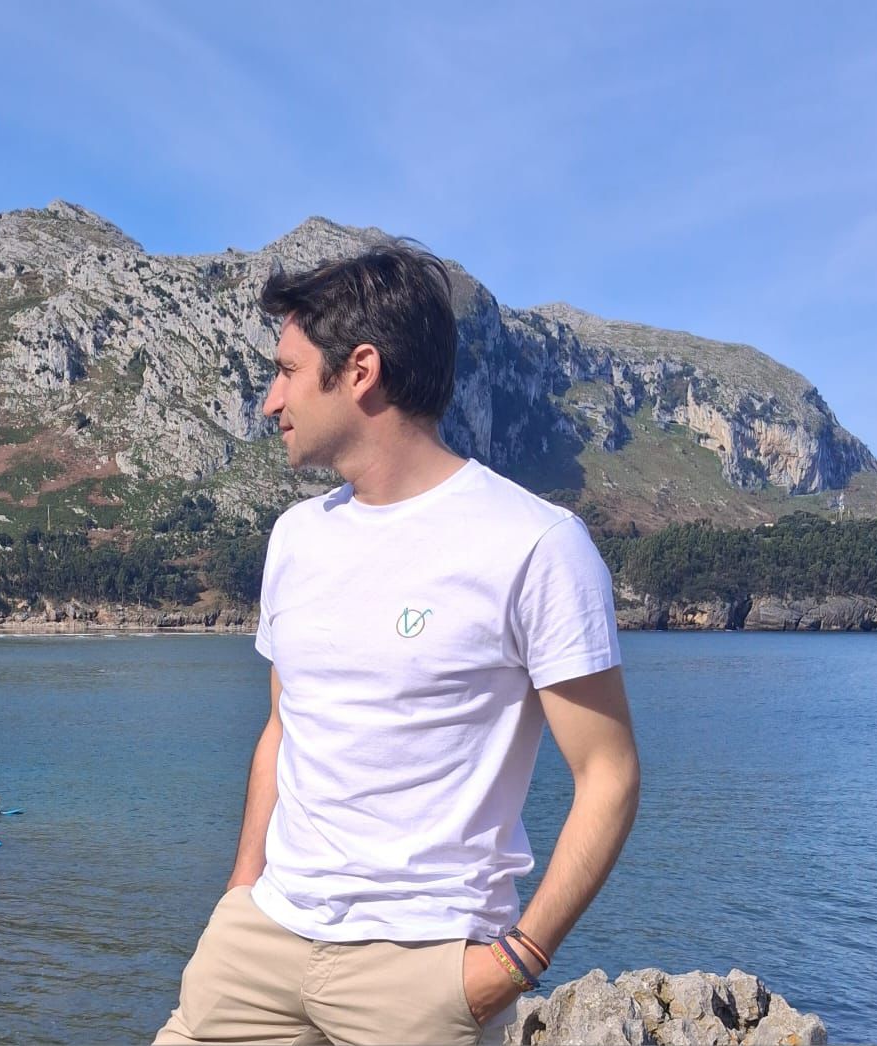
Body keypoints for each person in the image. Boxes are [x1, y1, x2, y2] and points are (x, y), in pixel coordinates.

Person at [154, 241, 641, 1046]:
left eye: (285, 371)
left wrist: (514, 963)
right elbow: (283, 726)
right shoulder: (295, 536)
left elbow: (608, 772)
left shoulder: (535, 544)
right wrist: (240, 893)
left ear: (360, 371)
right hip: (259, 944)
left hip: (419, 969)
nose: (270, 402)